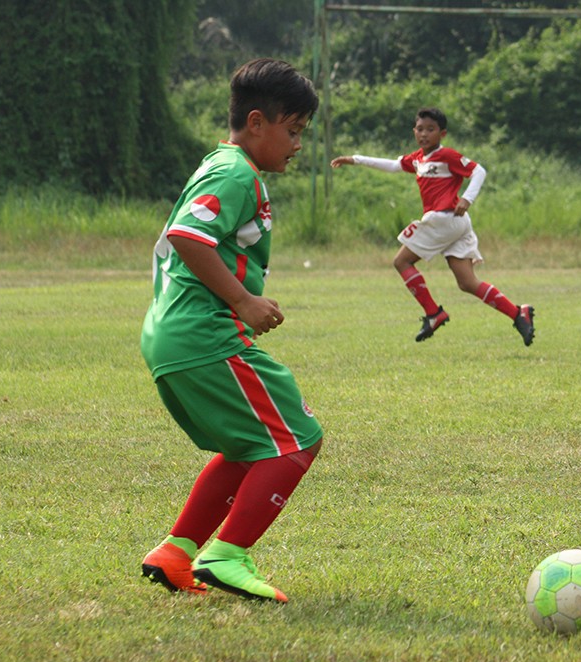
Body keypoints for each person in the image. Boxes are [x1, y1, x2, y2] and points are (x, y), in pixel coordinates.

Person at [139, 58, 324, 604]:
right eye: (292, 132)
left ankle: (176, 551)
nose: (296, 145)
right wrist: (242, 300)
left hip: (174, 335)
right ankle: (227, 554)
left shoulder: (225, 165)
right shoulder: (235, 171)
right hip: (203, 335)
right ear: (259, 122)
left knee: (249, 447)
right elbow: (188, 235)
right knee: (296, 438)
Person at [330, 107, 535, 346]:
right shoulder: (418, 159)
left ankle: (433, 313)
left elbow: (479, 170)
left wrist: (467, 198)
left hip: (444, 220)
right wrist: (356, 159)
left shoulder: (446, 155)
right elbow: (394, 165)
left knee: (401, 262)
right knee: (467, 282)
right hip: (455, 225)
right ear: (413, 131)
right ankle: (517, 313)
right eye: (419, 129)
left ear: (442, 133)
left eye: (430, 129)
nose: (424, 134)